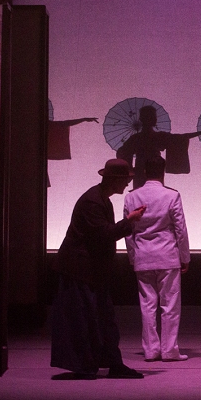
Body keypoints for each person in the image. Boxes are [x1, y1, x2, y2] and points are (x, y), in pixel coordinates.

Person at [50, 158, 146, 380]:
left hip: (91, 271)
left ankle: (111, 363)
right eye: (124, 180)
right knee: (84, 321)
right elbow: (103, 234)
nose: (126, 185)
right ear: (114, 180)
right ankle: (88, 366)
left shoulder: (101, 199)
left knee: (102, 319)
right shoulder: (93, 201)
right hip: (79, 271)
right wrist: (129, 221)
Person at [124, 156, 190, 362]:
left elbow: (128, 231)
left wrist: (133, 256)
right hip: (167, 255)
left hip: (143, 255)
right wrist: (184, 256)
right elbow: (180, 229)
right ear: (163, 171)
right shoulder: (171, 195)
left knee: (147, 305)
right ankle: (169, 350)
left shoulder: (131, 196)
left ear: (144, 171)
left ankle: (151, 350)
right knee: (169, 305)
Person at [116, 105, 201, 188]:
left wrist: (197, 133)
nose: (155, 119)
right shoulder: (138, 138)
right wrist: (130, 169)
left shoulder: (138, 138)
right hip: (146, 170)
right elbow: (122, 151)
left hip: (152, 169)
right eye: (152, 117)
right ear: (143, 119)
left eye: (155, 117)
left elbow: (178, 138)